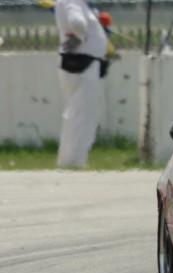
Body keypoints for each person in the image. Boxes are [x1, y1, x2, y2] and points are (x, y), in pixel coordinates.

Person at [53, 0, 107, 168]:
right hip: (83, 66)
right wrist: (81, 36)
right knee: (84, 116)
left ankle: (68, 160)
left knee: (74, 113)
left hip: (80, 64)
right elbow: (77, 22)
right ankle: (75, 160)